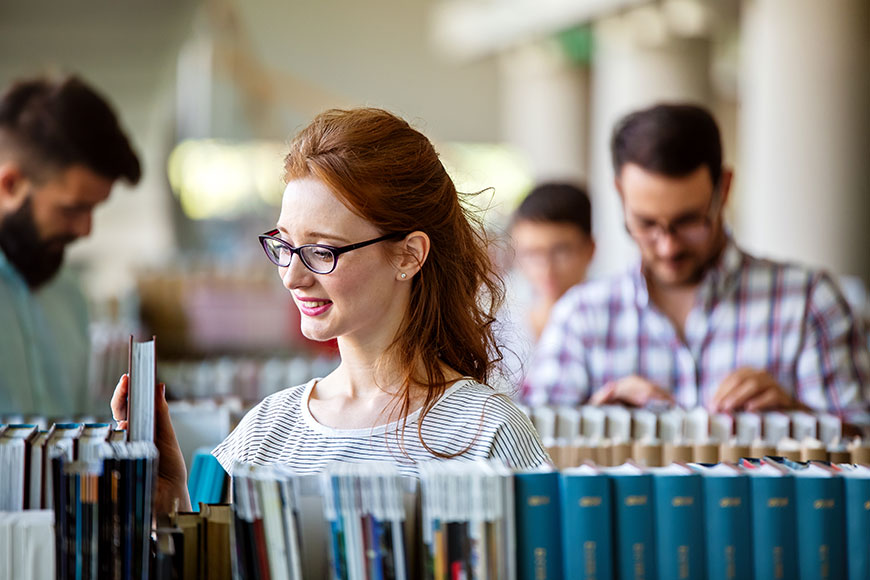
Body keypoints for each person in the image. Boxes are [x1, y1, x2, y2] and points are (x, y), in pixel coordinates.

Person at [112, 108, 550, 512]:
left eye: (322, 251)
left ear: (409, 256)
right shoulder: (265, 431)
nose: (291, 277)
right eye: (285, 246)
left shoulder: (487, 432)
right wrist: (171, 507)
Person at [523, 103, 870, 427]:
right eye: (646, 224)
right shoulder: (579, 318)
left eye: (688, 221)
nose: (668, 246)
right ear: (620, 195)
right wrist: (594, 425)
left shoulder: (809, 303)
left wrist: (793, 419)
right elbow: (533, 455)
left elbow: (862, 445)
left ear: (725, 189)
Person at [0, 75, 141, 416]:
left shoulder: (68, 293)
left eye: (93, 209)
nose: (86, 229)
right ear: (11, 185)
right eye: (73, 208)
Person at [498, 183, 595, 389]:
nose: (546, 268)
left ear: (590, 249)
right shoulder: (500, 331)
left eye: (561, 251)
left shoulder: (615, 330)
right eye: (532, 253)